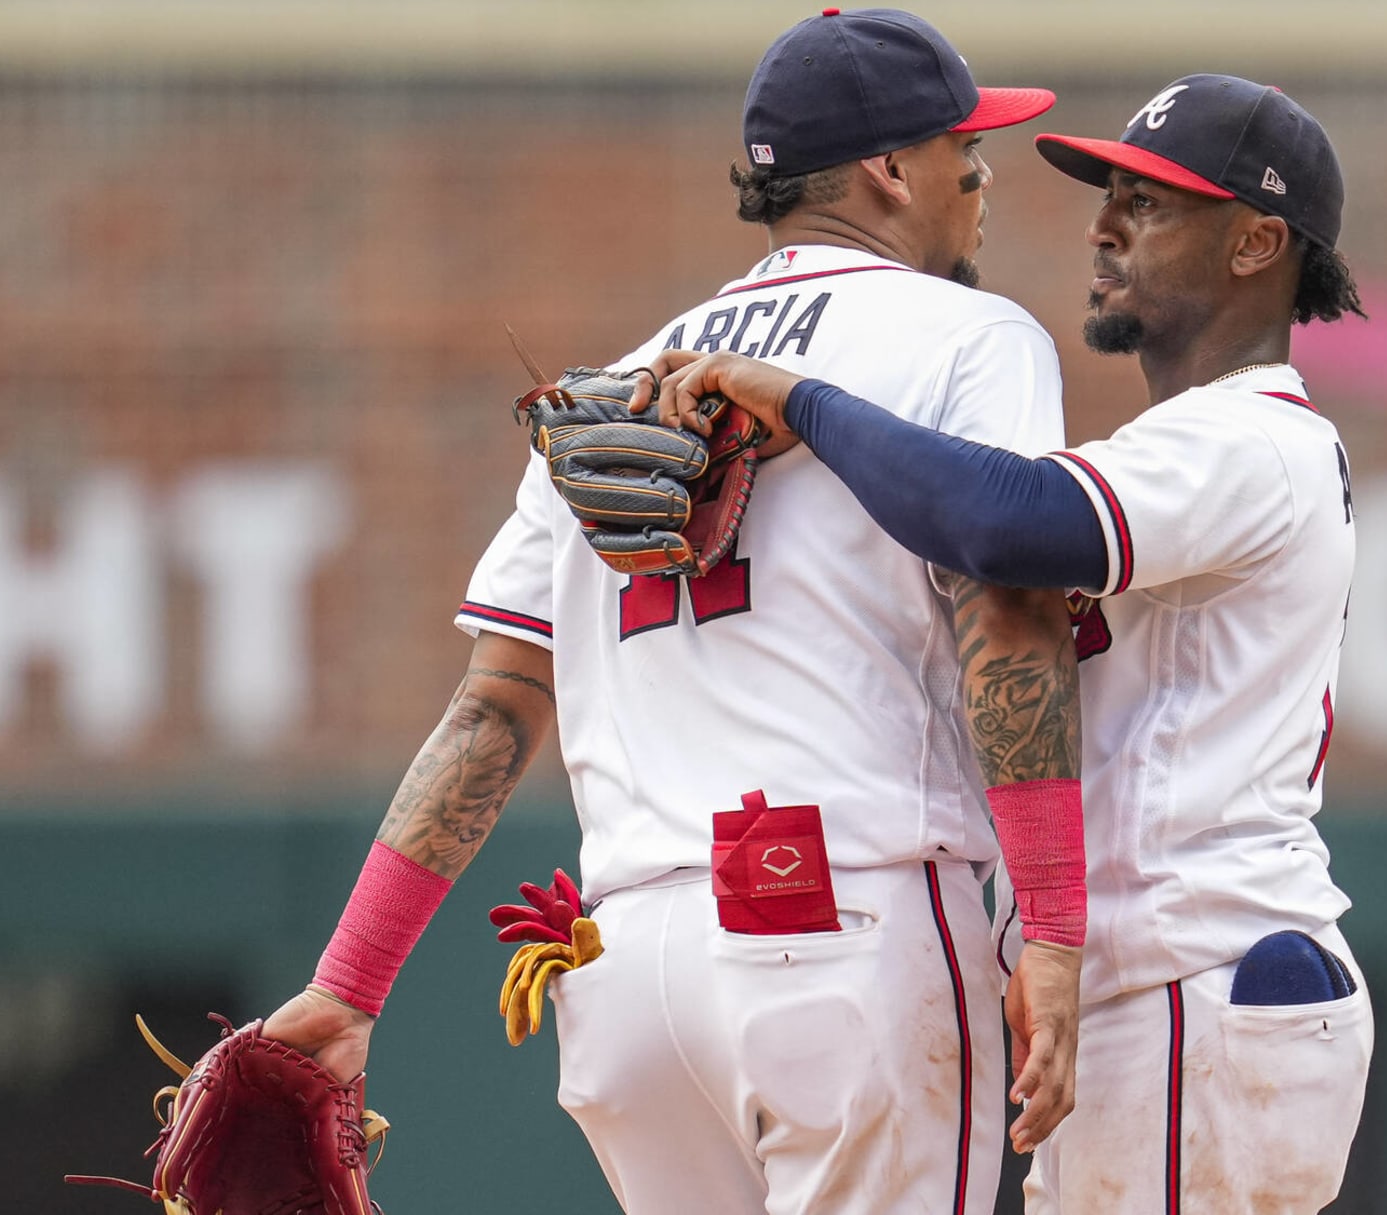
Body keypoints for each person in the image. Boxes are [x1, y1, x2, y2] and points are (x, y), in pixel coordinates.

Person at [255, 10, 1092, 1214]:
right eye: (966, 145)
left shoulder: (612, 382)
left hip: (629, 969)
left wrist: (350, 982)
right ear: (891, 171)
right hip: (845, 928)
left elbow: (493, 709)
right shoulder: (968, 334)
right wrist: (1056, 925)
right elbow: (1010, 612)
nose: (982, 173)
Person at [639, 74, 1373, 1213]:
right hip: (1169, 985)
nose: (1104, 225)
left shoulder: (1252, 440)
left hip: (1203, 970)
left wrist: (803, 399)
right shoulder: (1187, 441)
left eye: (1152, 204)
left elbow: (1002, 520)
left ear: (1258, 242)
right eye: (1111, 195)